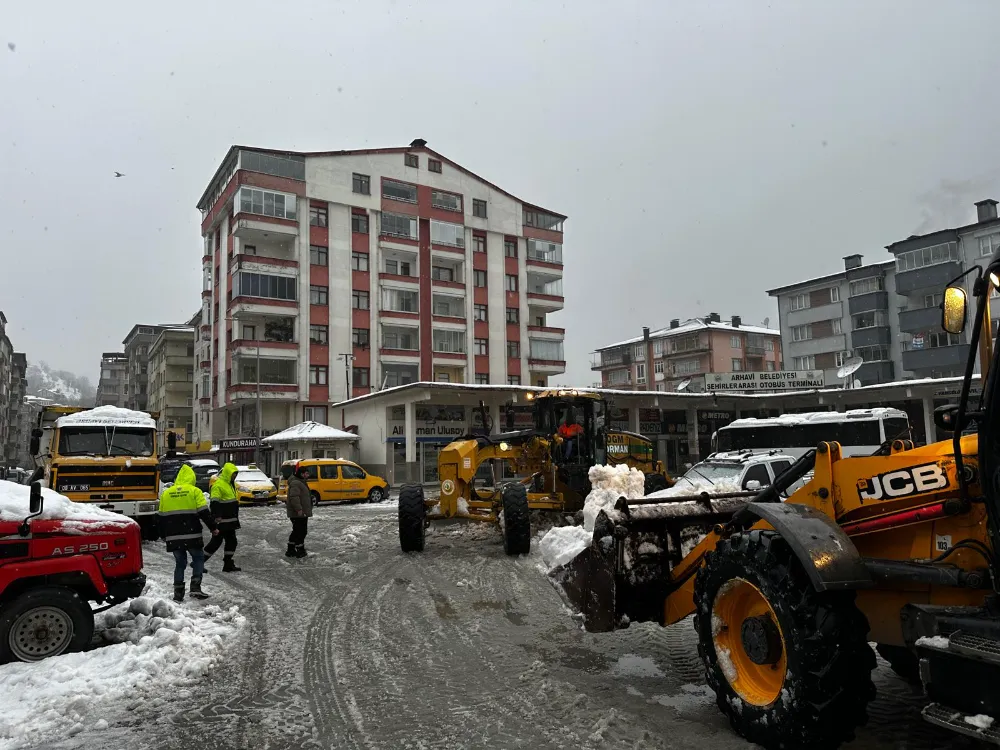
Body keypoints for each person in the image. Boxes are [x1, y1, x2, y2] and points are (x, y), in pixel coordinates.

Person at [157, 464, 219, 601]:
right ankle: (195, 588)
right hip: (192, 534)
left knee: (180, 563)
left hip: (173, 536)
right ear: (192, 478)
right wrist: (213, 528)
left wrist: (162, 535)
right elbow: (204, 513)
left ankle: (178, 593)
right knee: (198, 558)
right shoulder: (194, 491)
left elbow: (160, 518)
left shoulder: (166, 494)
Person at [204, 462, 241, 572]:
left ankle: (228, 563)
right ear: (228, 473)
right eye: (233, 474)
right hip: (223, 521)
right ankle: (199, 562)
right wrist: (217, 516)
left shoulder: (230, 484)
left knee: (231, 541)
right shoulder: (219, 485)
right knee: (216, 542)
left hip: (230, 520)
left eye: (236, 474)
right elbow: (214, 502)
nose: (235, 476)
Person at [282, 463, 312, 558]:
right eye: (306, 473)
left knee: (297, 531)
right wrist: (299, 509)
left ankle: (291, 549)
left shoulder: (300, 481)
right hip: (298, 513)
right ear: (302, 474)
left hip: (301, 512)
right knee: (301, 531)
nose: (308, 475)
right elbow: (294, 497)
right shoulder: (296, 483)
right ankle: (299, 550)